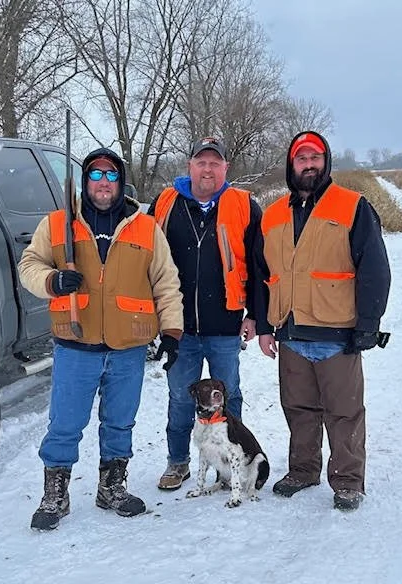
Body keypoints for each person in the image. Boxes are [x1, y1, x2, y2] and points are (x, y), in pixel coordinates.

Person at [18, 147, 183, 530]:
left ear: (121, 182)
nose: (103, 182)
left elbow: (166, 282)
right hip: (77, 343)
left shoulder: (146, 227)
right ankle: (55, 496)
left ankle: (112, 489)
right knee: (65, 423)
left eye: (111, 175)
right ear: (85, 181)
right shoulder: (59, 224)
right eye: (95, 175)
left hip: (129, 346)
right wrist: (52, 281)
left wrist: (172, 332)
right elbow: (30, 265)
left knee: (120, 422)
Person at [255, 131, 391, 511]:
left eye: (315, 157)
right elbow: (262, 275)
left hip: (338, 333)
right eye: (302, 158)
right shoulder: (273, 215)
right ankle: (302, 470)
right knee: (298, 408)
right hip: (292, 334)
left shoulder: (352, 206)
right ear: (291, 165)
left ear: (326, 162)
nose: (309, 164)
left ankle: (348, 480)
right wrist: (266, 327)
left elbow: (375, 268)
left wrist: (368, 322)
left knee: (344, 411)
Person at [148, 136, 264, 490]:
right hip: (178, 327)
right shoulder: (166, 202)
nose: (208, 168)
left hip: (225, 324)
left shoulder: (244, 205)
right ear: (190, 165)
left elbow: (260, 266)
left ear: (226, 168)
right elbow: (144, 259)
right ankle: (178, 463)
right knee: (180, 397)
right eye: (202, 161)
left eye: (215, 162)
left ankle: (233, 465)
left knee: (228, 398)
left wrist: (255, 314)